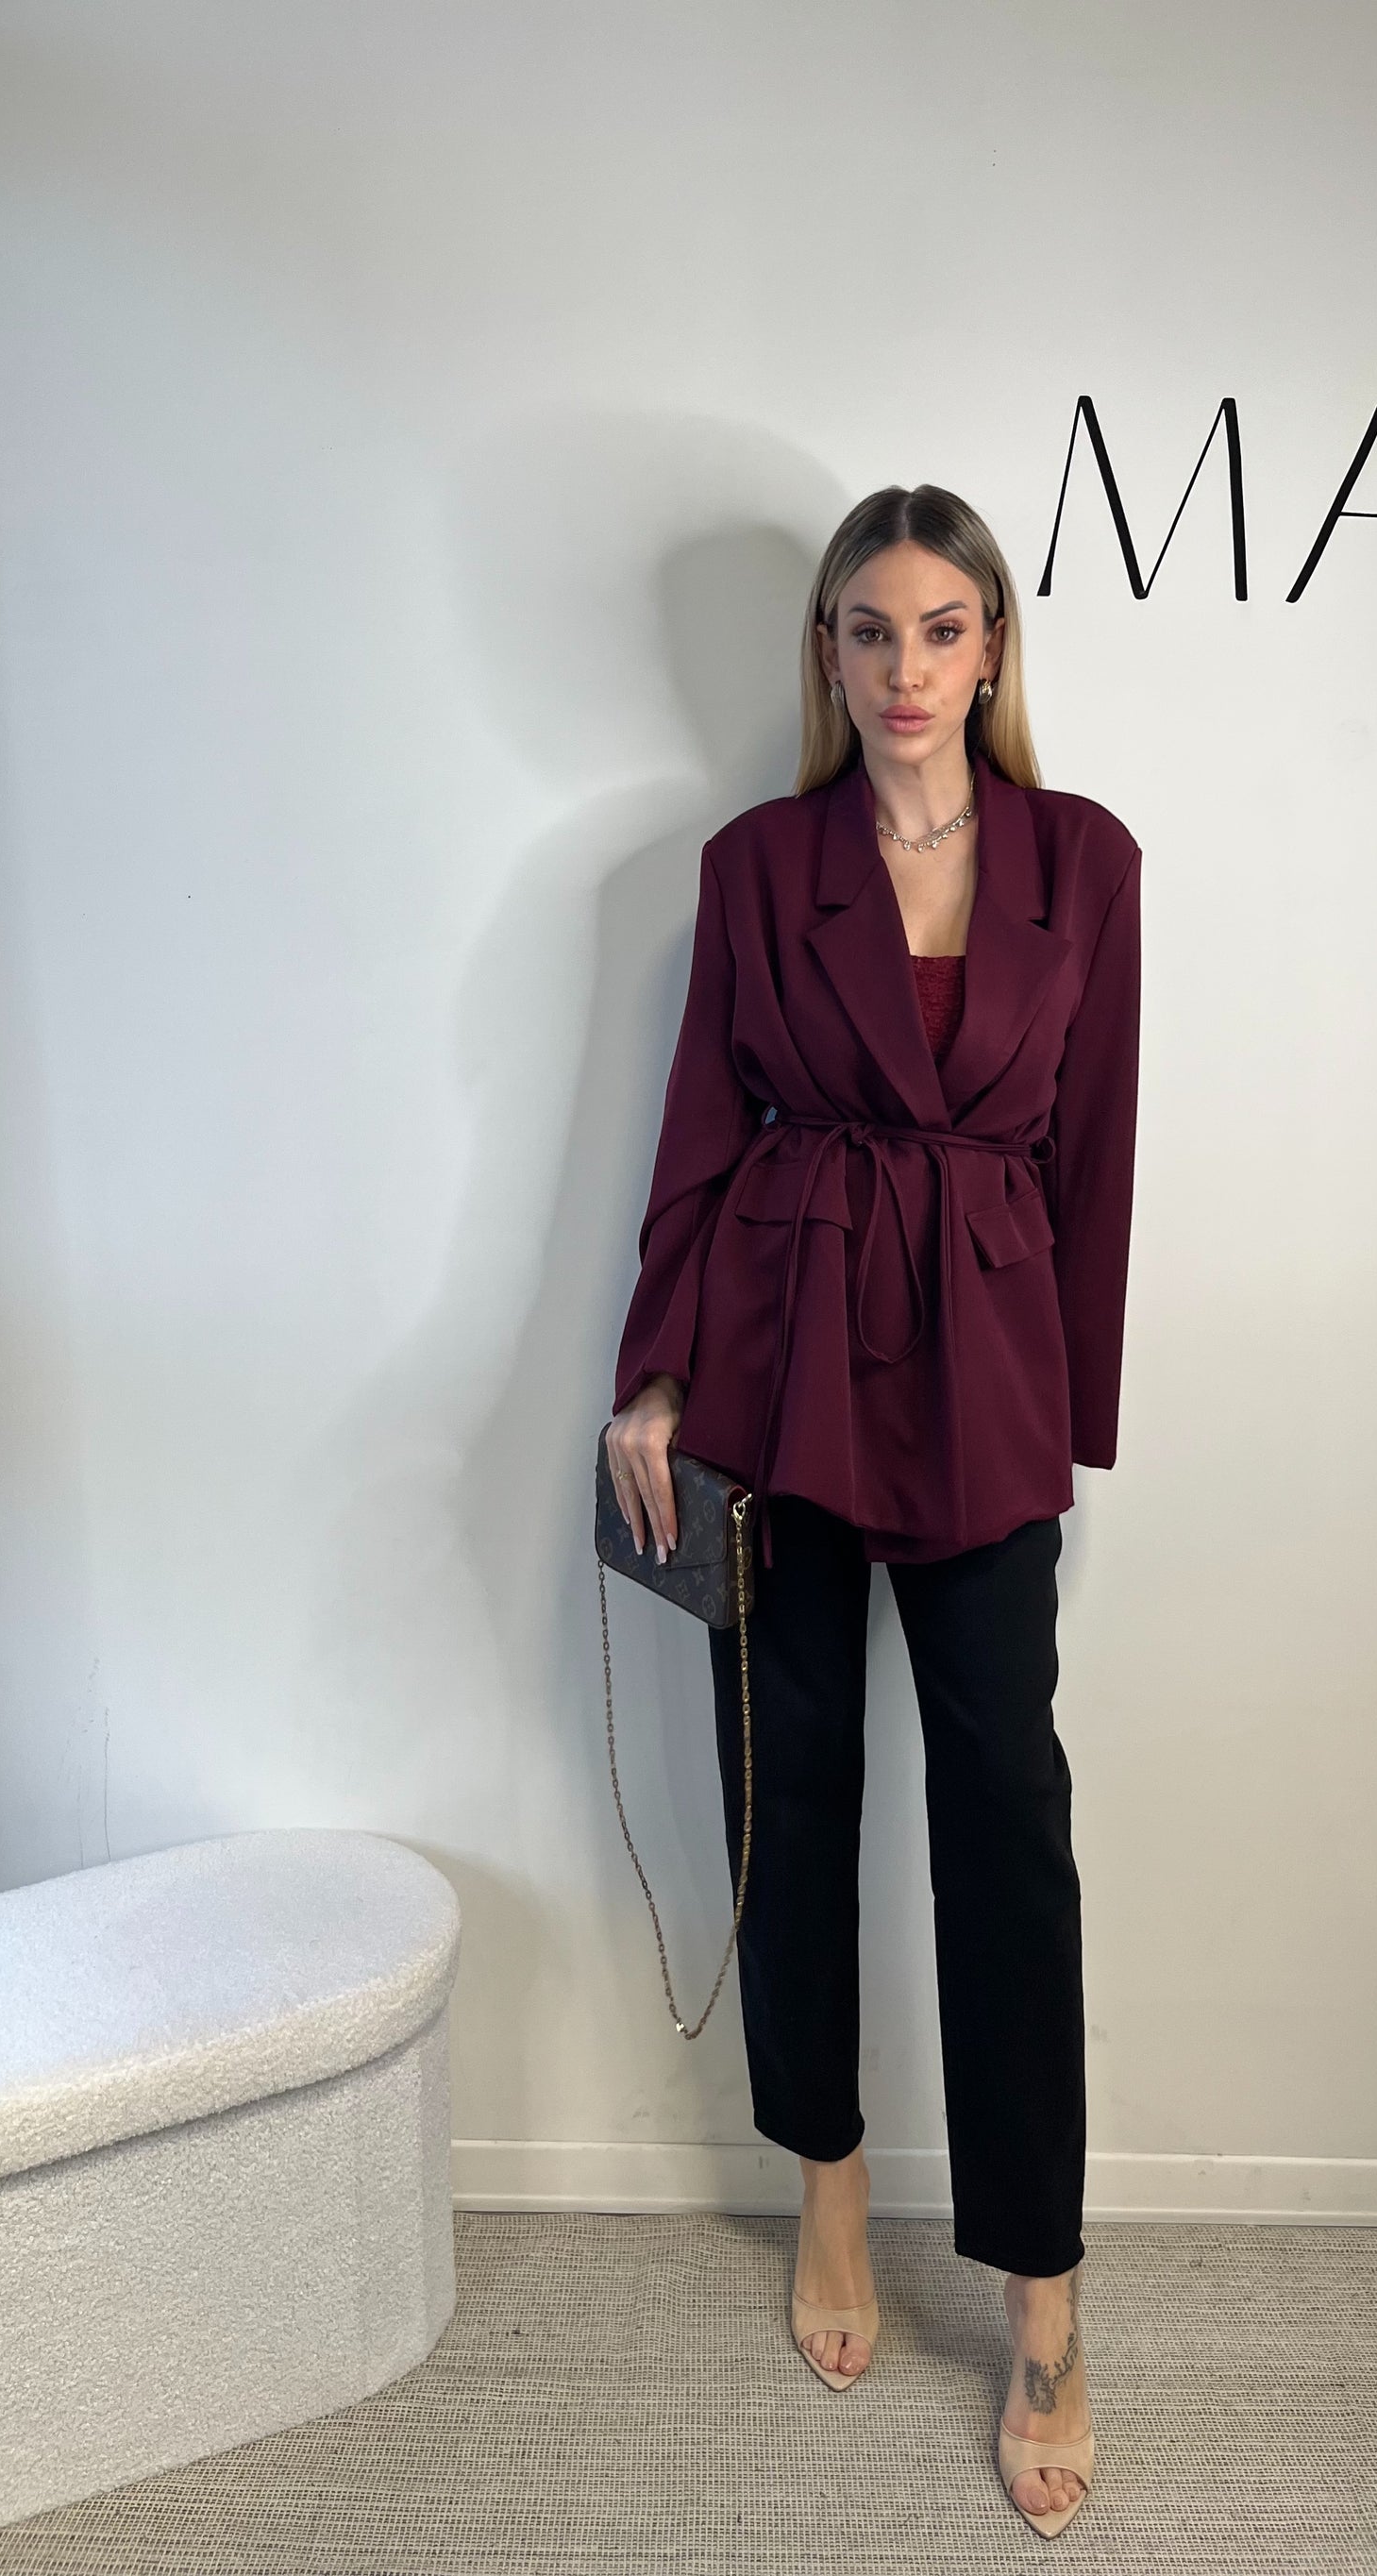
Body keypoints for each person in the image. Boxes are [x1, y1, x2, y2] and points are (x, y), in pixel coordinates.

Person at [603, 483, 1139, 2542]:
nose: (902, 669)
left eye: (938, 628)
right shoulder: (757, 866)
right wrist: (657, 1372)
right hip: (783, 1348)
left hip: (984, 1366)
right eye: (864, 629)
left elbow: (1095, 1154)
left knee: (1006, 1809)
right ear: (823, 653)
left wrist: (1068, 1416)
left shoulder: (1084, 861)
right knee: (790, 1774)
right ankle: (825, 2185)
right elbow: (695, 1123)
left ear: (991, 645)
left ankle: (1043, 2290)